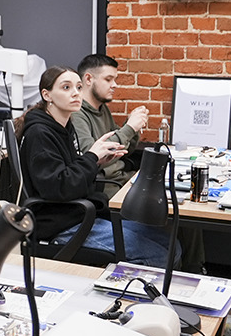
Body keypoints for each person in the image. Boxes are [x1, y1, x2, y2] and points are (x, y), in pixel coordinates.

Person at [19, 66, 176, 268]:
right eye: (66, 87)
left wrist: (97, 162)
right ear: (47, 95)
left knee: (171, 244)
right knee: (161, 256)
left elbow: (71, 172)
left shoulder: (65, 127)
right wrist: (92, 156)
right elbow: (59, 186)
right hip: (61, 224)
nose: (76, 93)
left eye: (78, 87)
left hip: (81, 214)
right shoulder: (40, 134)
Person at [69, 53, 148, 197]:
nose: (114, 85)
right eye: (108, 79)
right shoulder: (76, 113)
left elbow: (124, 150)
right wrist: (130, 127)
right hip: (107, 187)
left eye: (115, 79)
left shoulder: (102, 108)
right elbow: (91, 157)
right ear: (88, 79)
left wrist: (133, 127)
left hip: (122, 179)